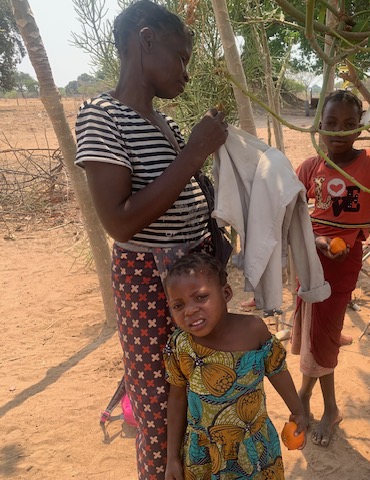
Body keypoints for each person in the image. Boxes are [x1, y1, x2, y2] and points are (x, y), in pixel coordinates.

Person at [74, 1, 228, 478]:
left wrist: (214, 238)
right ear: (145, 40)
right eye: (180, 57)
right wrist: (197, 151)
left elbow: (182, 193)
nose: (185, 72)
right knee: (160, 400)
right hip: (148, 281)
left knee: (206, 387)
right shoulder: (102, 116)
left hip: (196, 273)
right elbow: (119, 223)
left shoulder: (170, 125)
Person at [293, 90, 370, 446]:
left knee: (324, 335)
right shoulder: (310, 166)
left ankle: (330, 408)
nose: (338, 132)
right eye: (330, 123)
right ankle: (305, 396)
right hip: (310, 258)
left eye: (348, 124)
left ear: (360, 127)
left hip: (343, 264)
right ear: (319, 126)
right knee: (315, 333)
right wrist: (314, 241)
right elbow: (290, 216)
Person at [162, 253, 308, 480]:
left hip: (253, 447)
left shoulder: (253, 331)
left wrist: (298, 410)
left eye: (200, 298)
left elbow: (277, 370)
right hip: (204, 454)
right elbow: (177, 398)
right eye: (178, 305)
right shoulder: (180, 345)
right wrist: (172, 457)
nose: (189, 310)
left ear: (226, 294)